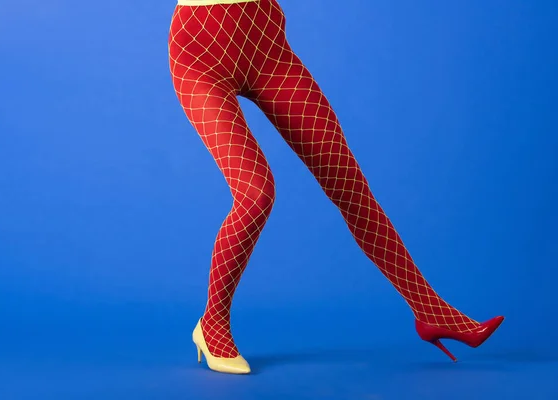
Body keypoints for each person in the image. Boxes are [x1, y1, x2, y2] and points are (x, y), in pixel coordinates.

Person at [167, 0, 503, 374]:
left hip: (267, 47)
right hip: (199, 55)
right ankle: (212, 323)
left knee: (352, 189)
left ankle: (432, 311)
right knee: (256, 193)